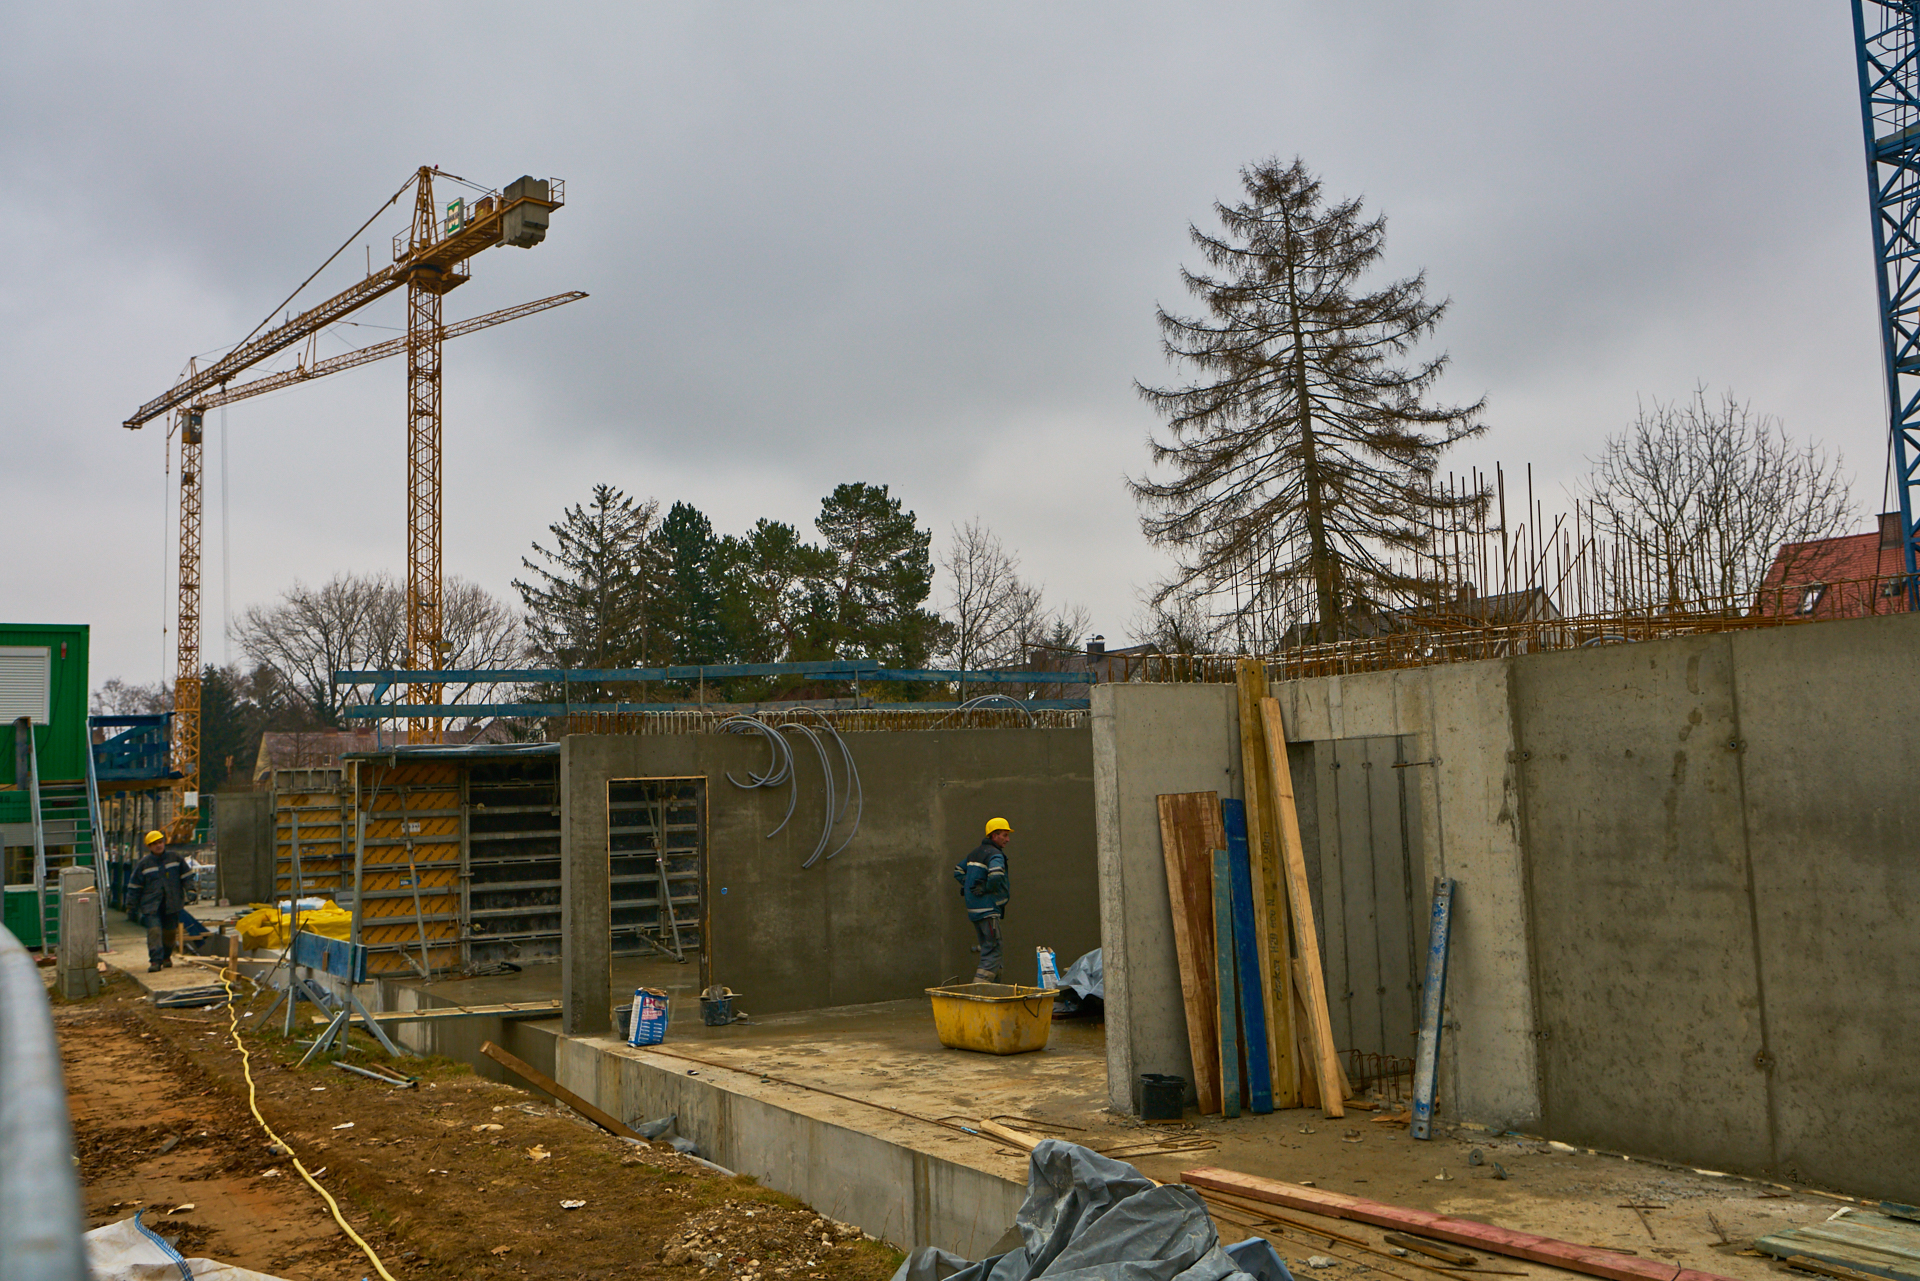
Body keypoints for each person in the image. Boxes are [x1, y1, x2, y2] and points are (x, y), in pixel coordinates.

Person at [954, 817, 1013, 983]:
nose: (1007, 839)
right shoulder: (995, 855)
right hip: (988, 910)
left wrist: (970, 885)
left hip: (975, 911)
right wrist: (986, 888)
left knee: (993, 949)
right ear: (994, 836)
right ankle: (980, 989)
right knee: (992, 950)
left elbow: (958, 870)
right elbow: (996, 875)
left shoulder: (975, 853)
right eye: (1004, 835)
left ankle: (997, 991)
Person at [129, 830, 189, 973]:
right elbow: (135, 886)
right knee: (154, 932)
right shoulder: (144, 864)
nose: (158, 846)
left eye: (160, 842)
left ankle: (166, 957)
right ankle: (155, 961)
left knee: (169, 934)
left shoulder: (175, 858)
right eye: (154, 844)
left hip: (172, 903)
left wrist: (191, 890)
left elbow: (187, 876)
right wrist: (131, 906)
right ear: (149, 847)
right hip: (151, 906)